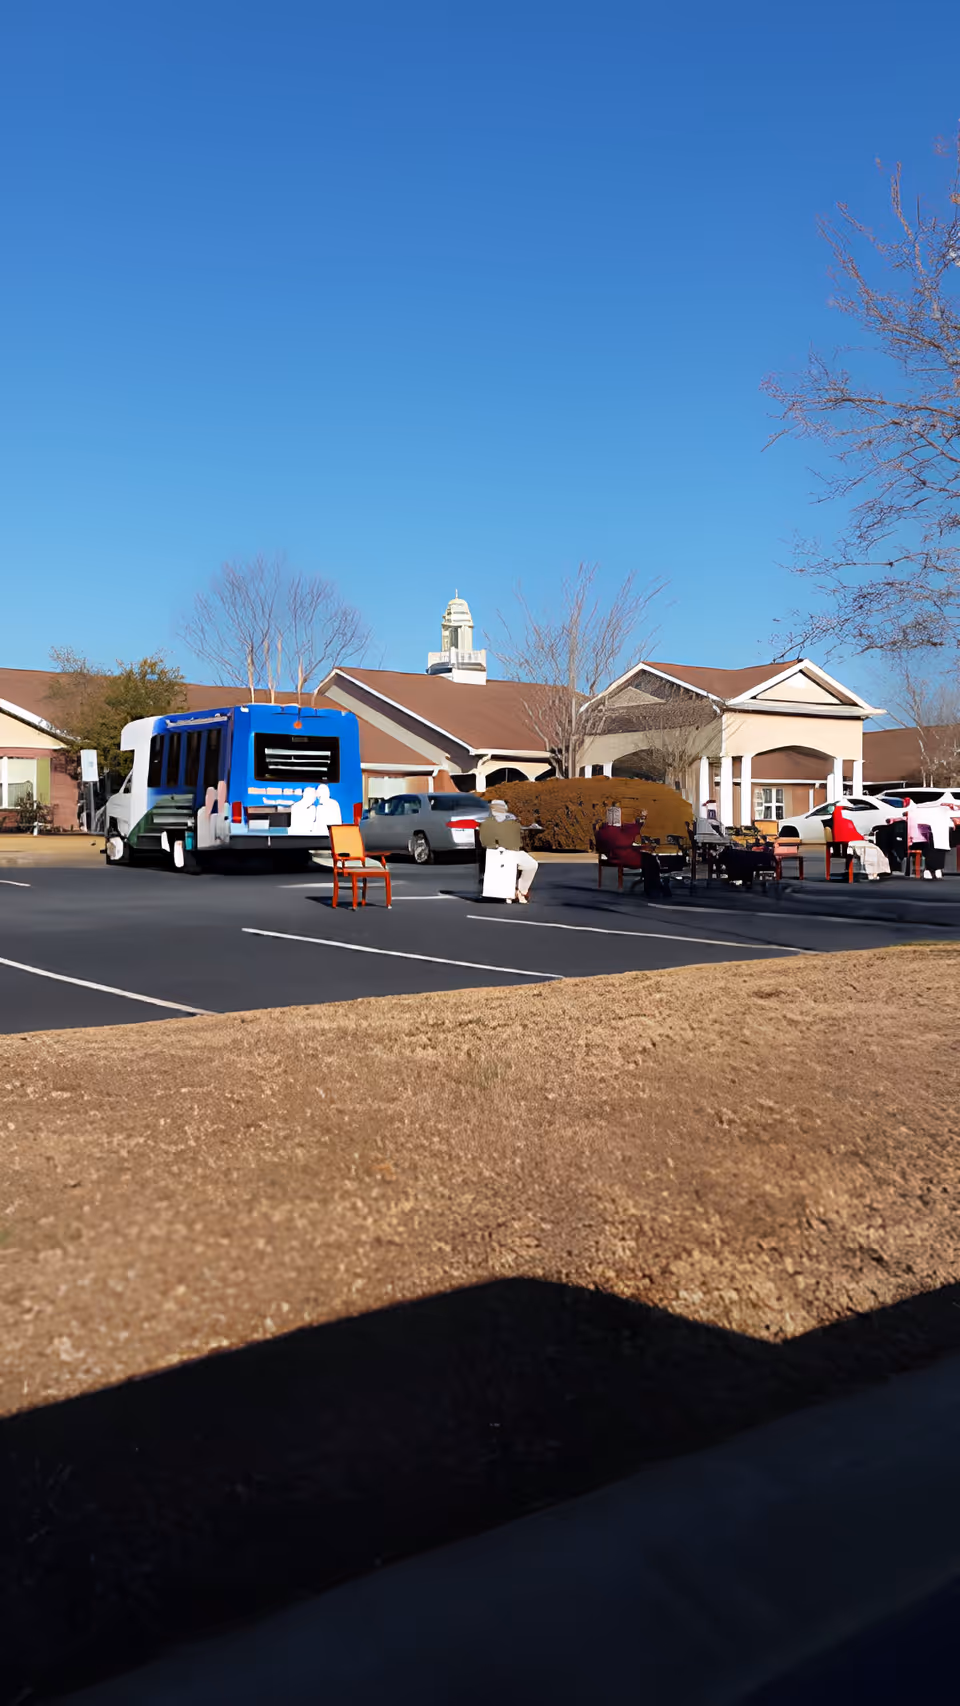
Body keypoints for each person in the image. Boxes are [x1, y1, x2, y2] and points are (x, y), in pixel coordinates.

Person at [479, 799, 539, 902]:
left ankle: (521, 891)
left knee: (531, 864)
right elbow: (485, 840)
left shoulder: (511, 818)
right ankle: (509, 894)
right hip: (498, 852)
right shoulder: (488, 821)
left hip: (514, 851)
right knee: (507, 869)